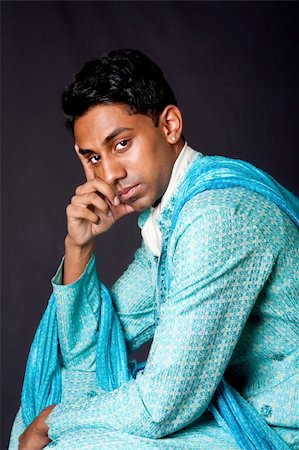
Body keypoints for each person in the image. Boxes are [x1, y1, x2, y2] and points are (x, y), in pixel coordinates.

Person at [9, 49, 298, 450]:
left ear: (170, 125)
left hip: (278, 428)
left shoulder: (217, 217)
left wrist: (54, 422)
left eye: (122, 144)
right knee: (37, 409)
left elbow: (162, 405)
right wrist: (79, 246)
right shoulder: (172, 214)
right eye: (93, 156)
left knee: (64, 440)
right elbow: (91, 351)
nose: (108, 174)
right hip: (234, 412)